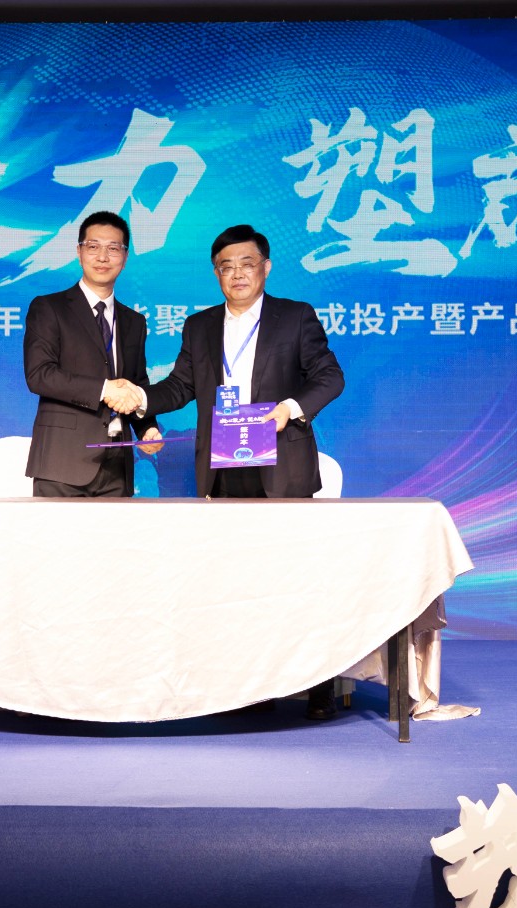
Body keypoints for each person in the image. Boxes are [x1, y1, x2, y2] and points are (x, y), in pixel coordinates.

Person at [132, 223, 346, 717]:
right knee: (235, 586)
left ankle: (317, 686)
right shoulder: (200, 326)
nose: (237, 274)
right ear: (216, 274)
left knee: (294, 580)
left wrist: (290, 408)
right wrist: (141, 399)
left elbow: (330, 376)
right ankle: (247, 689)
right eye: (226, 266)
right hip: (226, 468)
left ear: (265, 267)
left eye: (247, 264)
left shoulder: (295, 316)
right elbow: (179, 387)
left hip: (281, 464)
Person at [23, 211, 162, 497]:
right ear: (79, 252)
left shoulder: (134, 322)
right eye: (93, 246)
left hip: (117, 465)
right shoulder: (49, 308)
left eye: (113, 248)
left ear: (125, 257)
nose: (102, 257)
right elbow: (40, 375)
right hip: (61, 461)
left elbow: (136, 383)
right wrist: (104, 389)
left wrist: (147, 427)